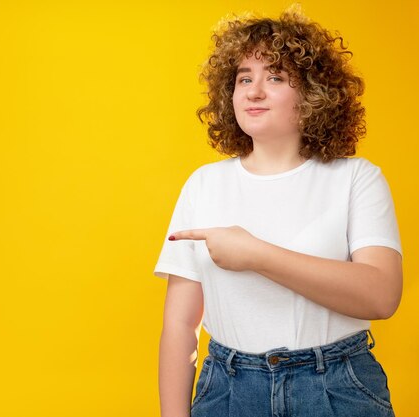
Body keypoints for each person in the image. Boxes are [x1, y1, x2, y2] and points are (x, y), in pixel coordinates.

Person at [154, 6, 403, 417]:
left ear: (313, 93)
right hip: (227, 391)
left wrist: (256, 255)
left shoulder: (356, 178)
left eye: (275, 77)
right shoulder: (204, 185)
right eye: (243, 79)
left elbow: (381, 295)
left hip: (336, 388)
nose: (253, 91)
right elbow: (180, 326)